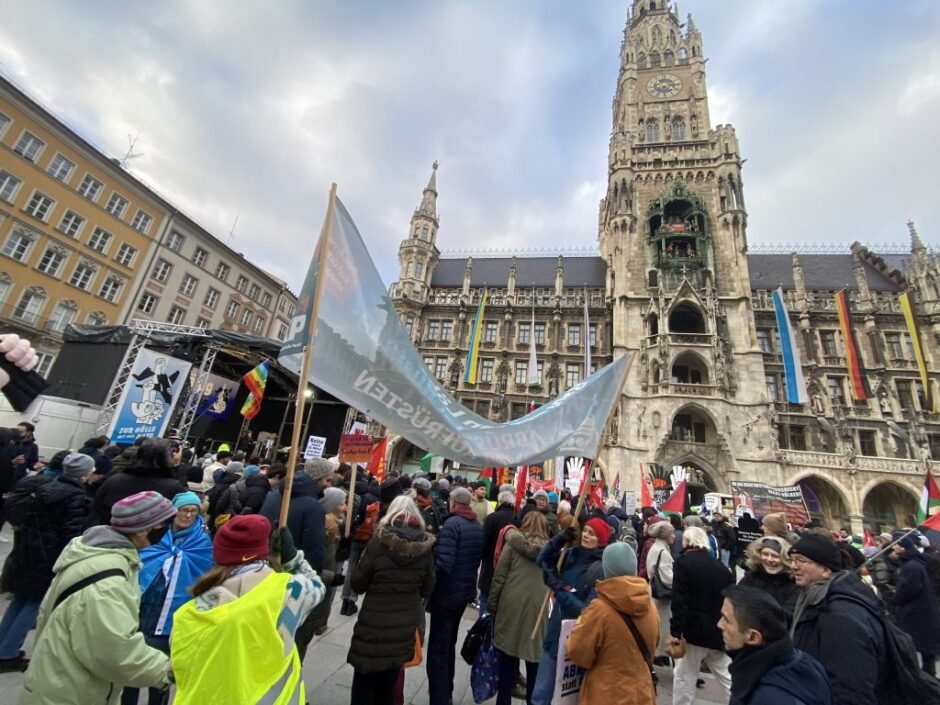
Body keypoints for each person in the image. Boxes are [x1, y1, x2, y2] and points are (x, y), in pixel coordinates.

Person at [20, 492, 177, 704]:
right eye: (163, 525)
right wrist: (168, 670)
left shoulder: (95, 554)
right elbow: (114, 652)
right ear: (142, 529)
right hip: (71, 692)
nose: (167, 531)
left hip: (60, 677)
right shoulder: (106, 584)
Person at [170, 514, 326, 705]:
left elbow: (174, 671)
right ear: (263, 550)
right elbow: (318, 587)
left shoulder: (189, 612)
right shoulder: (287, 591)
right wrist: (292, 557)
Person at [0, 452, 95, 671]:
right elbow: (70, 532)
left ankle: (4, 645)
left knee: (20, 600)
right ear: (85, 473)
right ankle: (8, 653)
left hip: (28, 549)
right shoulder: (76, 496)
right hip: (49, 556)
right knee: (33, 604)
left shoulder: (45, 487)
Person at [122, 491, 213, 705]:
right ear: (174, 512)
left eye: (193, 511)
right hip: (144, 610)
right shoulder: (157, 535)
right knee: (131, 671)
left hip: (172, 618)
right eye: (184, 510)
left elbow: (204, 574)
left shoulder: (202, 541)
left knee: (161, 675)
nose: (188, 515)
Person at [347, 495, 436, 705]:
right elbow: (428, 588)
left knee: (363, 686)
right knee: (387, 686)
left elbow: (358, 583)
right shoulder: (424, 549)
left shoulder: (378, 543)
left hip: (373, 625)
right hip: (403, 627)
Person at [789, 533, 886, 705]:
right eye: (792, 560)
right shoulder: (813, 597)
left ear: (826, 569)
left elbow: (851, 687)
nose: (793, 566)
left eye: (801, 560)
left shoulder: (838, 614)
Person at [566, 542, 658, 705]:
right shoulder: (650, 607)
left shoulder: (600, 609)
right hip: (641, 693)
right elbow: (653, 645)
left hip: (607, 693)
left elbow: (578, 653)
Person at [530, 517, 609, 705]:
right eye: (586, 531)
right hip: (554, 635)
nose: (587, 536)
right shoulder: (571, 553)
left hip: (575, 644)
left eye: (593, 534)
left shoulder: (599, 570)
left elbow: (585, 611)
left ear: (601, 540)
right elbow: (542, 560)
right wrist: (558, 540)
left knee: (565, 700)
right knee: (540, 695)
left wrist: (557, 588)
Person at [260, 459, 331, 660]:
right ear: (317, 478)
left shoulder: (273, 495)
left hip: (263, 573)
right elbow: (315, 550)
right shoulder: (312, 506)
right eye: (327, 479)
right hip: (292, 581)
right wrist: (312, 579)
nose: (328, 484)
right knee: (291, 642)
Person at [718, 584, 832, 705]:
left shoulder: (770, 696)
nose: (719, 624)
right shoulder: (805, 663)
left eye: (726, 620)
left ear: (753, 637)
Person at [426, 486, 483, 705]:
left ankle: (440, 698)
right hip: (463, 593)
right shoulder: (477, 526)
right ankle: (446, 690)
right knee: (448, 642)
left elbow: (444, 564)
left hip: (446, 594)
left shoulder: (451, 524)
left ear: (453, 502)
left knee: (438, 647)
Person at [488, 511, 551, 705]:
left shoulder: (514, 545)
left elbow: (499, 576)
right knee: (534, 662)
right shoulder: (553, 551)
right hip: (537, 610)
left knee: (507, 662)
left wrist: (492, 605)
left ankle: (504, 701)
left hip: (510, 606)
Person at [669, 526, 734, 705]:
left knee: (685, 677)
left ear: (688, 542)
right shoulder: (722, 568)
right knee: (727, 677)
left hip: (693, 631)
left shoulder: (683, 563)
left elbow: (680, 601)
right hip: (718, 630)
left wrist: (676, 632)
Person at [94, 439, 186, 525]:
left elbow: (96, 509)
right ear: (169, 457)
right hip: (150, 540)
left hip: (108, 534)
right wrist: (176, 466)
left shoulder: (114, 480)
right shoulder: (173, 487)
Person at [891, 535, 940, 676]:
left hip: (917, 613)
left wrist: (894, 599)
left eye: (896, 544)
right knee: (926, 650)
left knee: (923, 650)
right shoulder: (914, 563)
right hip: (923, 611)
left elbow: (908, 590)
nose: (893, 547)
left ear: (904, 547)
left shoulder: (912, 566)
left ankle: (927, 685)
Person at [307, 487, 348, 636]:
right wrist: (329, 576)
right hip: (319, 580)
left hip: (325, 577)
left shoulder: (335, 523)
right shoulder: (325, 526)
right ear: (331, 505)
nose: (346, 507)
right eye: (342, 504)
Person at [478, 489, 517, 616]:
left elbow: (483, 542)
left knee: (485, 598)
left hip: (490, 564)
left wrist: (482, 558)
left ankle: (481, 629)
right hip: (510, 567)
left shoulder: (492, 518)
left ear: (500, 502)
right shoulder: (518, 519)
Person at [739, 536, 799, 617]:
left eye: (775, 556)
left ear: (785, 559)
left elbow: (786, 616)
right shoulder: (750, 577)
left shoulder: (793, 585)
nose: (769, 559)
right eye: (765, 554)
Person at [645, 519, 675, 665]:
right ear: (666, 536)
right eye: (672, 534)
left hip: (654, 592)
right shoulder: (662, 551)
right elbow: (668, 578)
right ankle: (658, 654)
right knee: (662, 628)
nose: (674, 537)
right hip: (661, 596)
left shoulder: (657, 548)